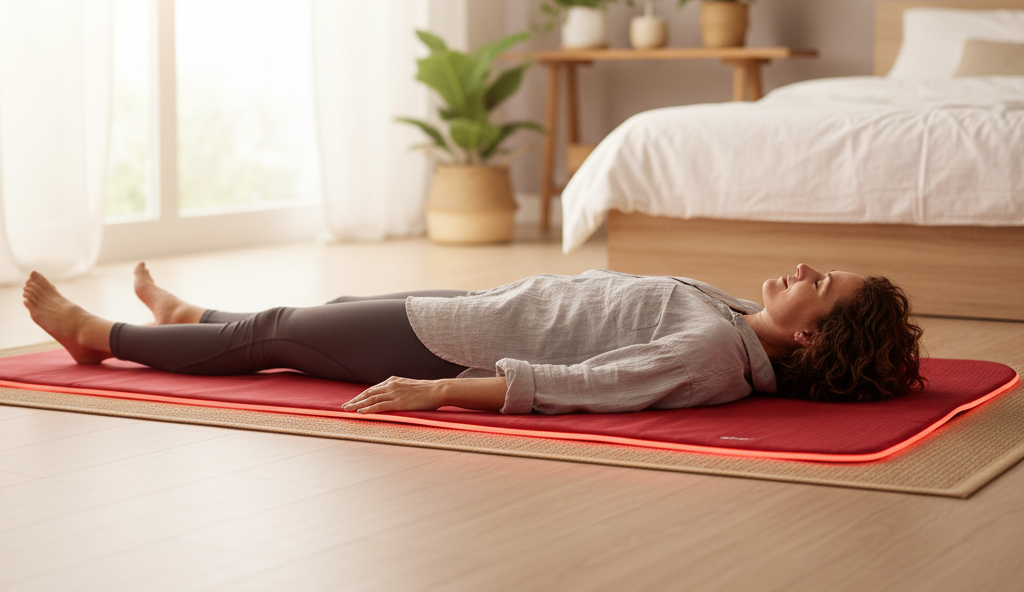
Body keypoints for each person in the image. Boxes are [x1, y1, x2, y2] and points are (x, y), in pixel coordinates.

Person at [22, 262, 923, 416]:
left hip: (451, 345)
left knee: (278, 334)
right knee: (327, 307)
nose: (804, 269)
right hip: (485, 306)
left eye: (821, 286)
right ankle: (192, 320)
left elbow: (583, 386)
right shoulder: (737, 322)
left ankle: (102, 336)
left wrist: (442, 392)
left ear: (809, 340)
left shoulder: (711, 357)